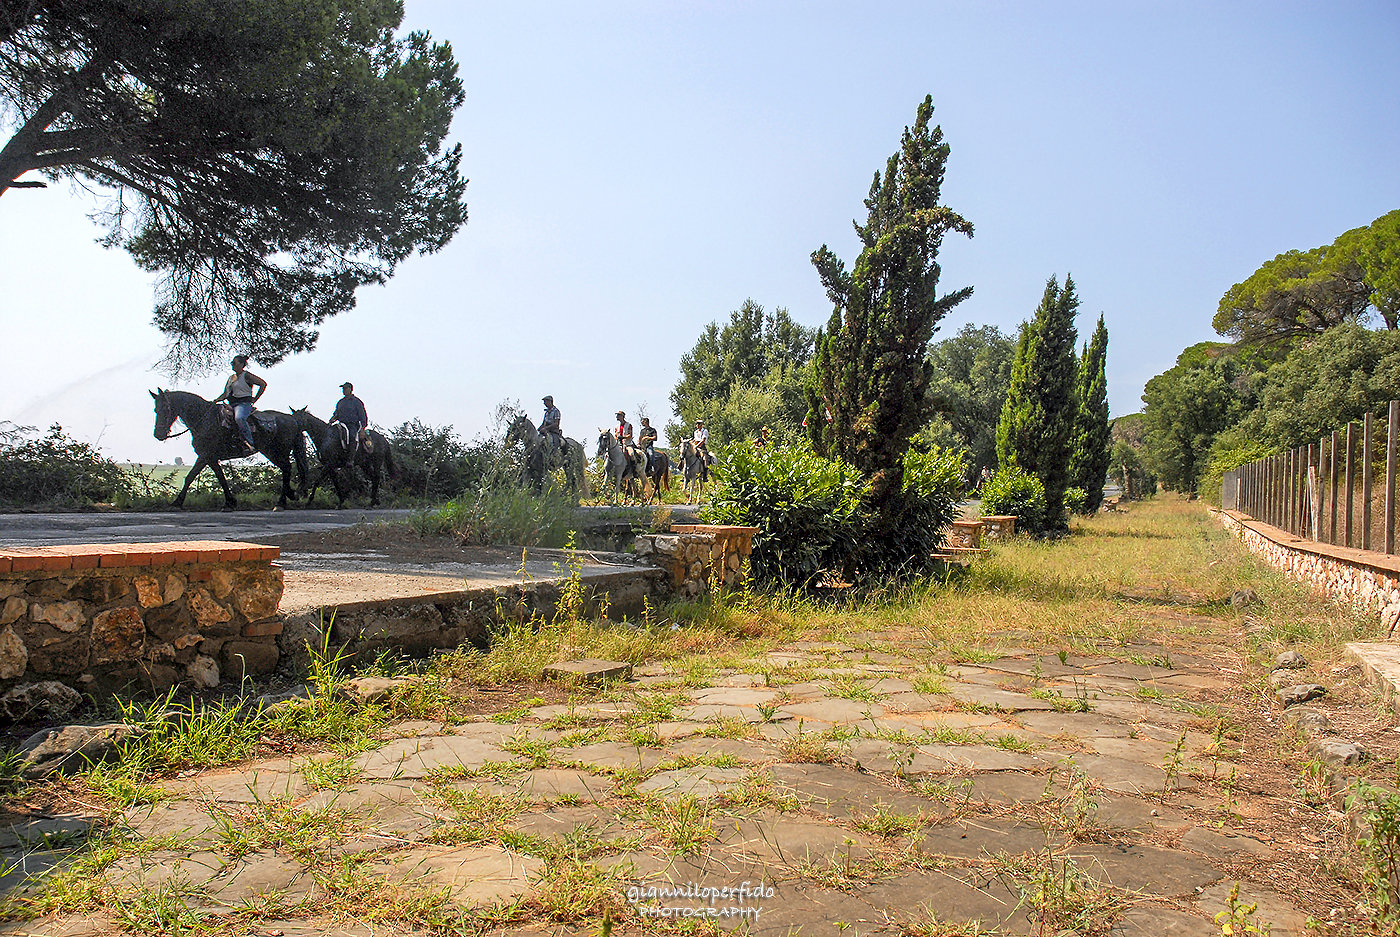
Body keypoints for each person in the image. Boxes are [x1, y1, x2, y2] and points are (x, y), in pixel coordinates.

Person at [213, 354, 265, 454]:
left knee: (239, 418)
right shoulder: (231, 378)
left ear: (241, 364)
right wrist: (217, 400)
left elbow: (262, 384)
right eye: (232, 363)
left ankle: (250, 443)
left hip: (243, 404)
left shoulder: (247, 376)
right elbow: (225, 393)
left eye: (234, 363)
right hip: (231, 404)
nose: (232, 365)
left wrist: (255, 399)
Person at [330, 382, 369, 460]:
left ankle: (351, 459)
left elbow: (363, 416)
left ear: (350, 389)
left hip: (352, 425)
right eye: (343, 389)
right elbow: (336, 413)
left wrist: (362, 429)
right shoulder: (340, 402)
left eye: (345, 388)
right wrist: (333, 418)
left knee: (352, 437)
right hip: (341, 424)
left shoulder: (357, 402)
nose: (343, 391)